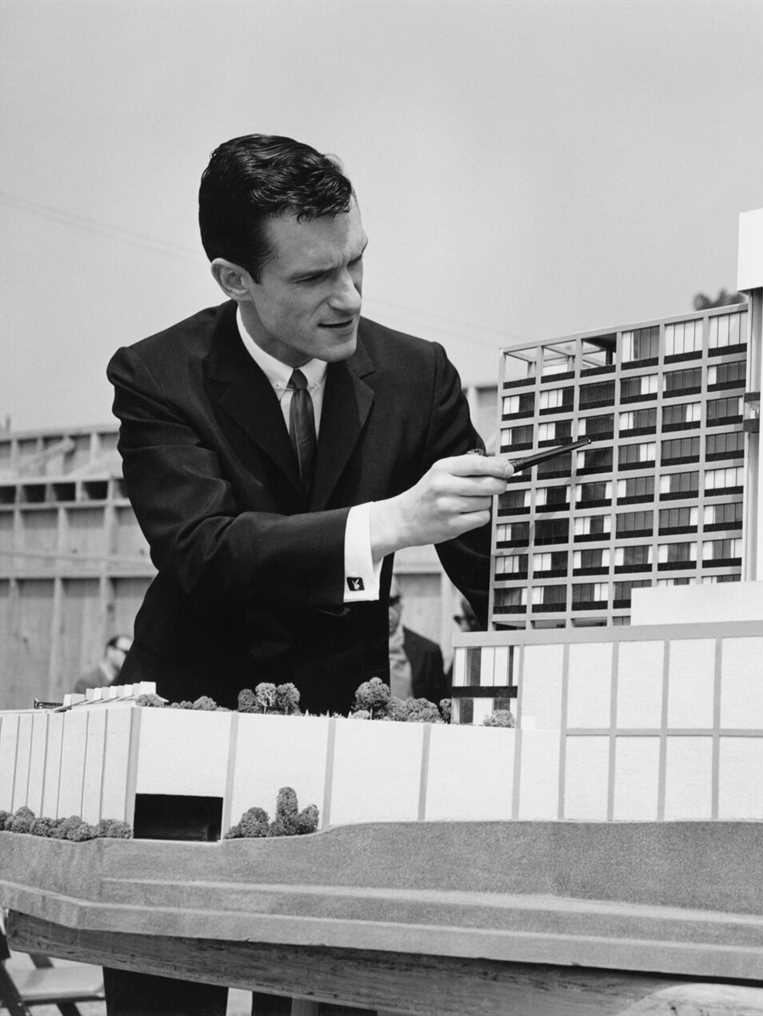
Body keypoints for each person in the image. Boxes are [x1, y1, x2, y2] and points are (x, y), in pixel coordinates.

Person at [105, 134, 512, 1015]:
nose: (350, 298)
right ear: (232, 279)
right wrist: (391, 522)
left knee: (343, 994)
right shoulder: (156, 377)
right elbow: (203, 552)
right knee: (169, 993)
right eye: (314, 279)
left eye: (358, 262)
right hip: (189, 737)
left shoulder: (419, 374)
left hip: (344, 747)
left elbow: (500, 567)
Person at [386, 575, 446, 704]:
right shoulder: (359, 650)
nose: (387, 611)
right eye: (380, 603)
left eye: (391, 602)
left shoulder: (428, 652)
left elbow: (441, 705)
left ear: (400, 604)